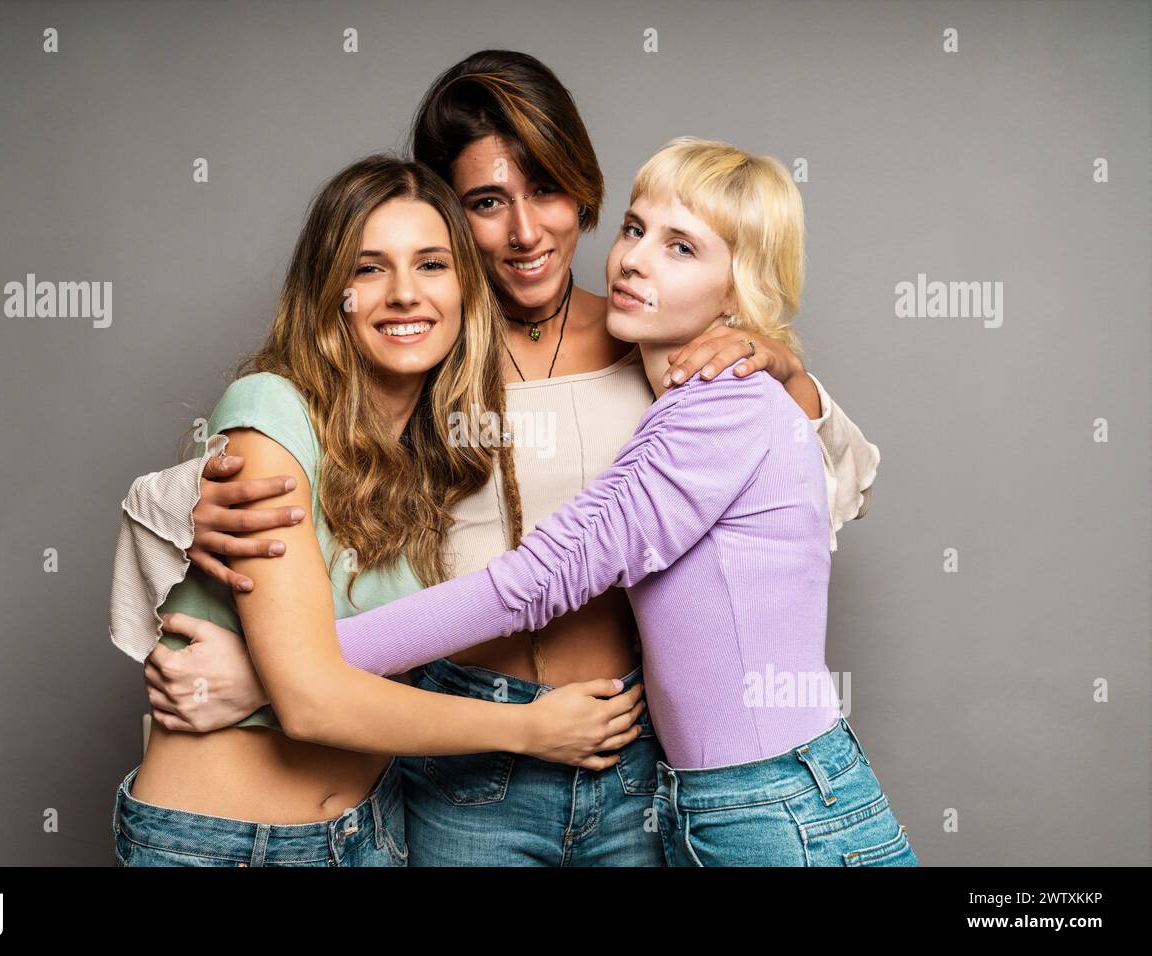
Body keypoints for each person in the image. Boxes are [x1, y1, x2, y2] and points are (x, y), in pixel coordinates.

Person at [124, 51, 880, 866]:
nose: (526, 233)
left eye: (548, 191)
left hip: (630, 753)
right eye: (486, 204)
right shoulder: (415, 353)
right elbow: (289, 471)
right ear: (448, 215)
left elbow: (809, 482)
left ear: (584, 192)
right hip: (460, 759)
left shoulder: (662, 346)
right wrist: (215, 514)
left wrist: (778, 361)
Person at [282, 137, 919, 866]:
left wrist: (298, 665)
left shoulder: (723, 407)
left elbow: (535, 582)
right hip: (721, 802)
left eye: (682, 248)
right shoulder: (685, 407)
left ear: (738, 289)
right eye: (635, 229)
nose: (636, 259)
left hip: (777, 809)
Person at [109, 154, 644, 867]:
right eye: (368, 269)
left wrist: (253, 675)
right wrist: (529, 729)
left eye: (431, 265)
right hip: (228, 847)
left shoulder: (427, 456)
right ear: (333, 293)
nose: (403, 294)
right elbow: (311, 702)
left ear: (464, 289)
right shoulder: (272, 408)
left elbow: (366, 649)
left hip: (372, 834)